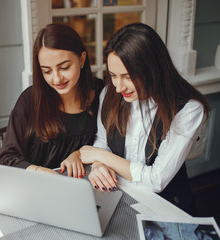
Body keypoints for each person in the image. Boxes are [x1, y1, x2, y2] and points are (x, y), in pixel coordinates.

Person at [79, 23, 210, 215]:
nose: (118, 87)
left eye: (128, 77)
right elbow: (102, 140)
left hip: (166, 206)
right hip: (119, 196)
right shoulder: (108, 93)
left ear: (153, 69)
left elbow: (156, 180)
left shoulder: (188, 109)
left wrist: (101, 157)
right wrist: (99, 166)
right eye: (113, 75)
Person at [0, 23, 104, 178]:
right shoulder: (30, 100)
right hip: (36, 186)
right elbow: (8, 158)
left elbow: (109, 145)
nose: (56, 78)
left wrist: (78, 154)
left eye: (65, 67)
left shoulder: (102, 93)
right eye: (47, 71)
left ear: (82, 59)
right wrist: (42, 172)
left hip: (86, 186)